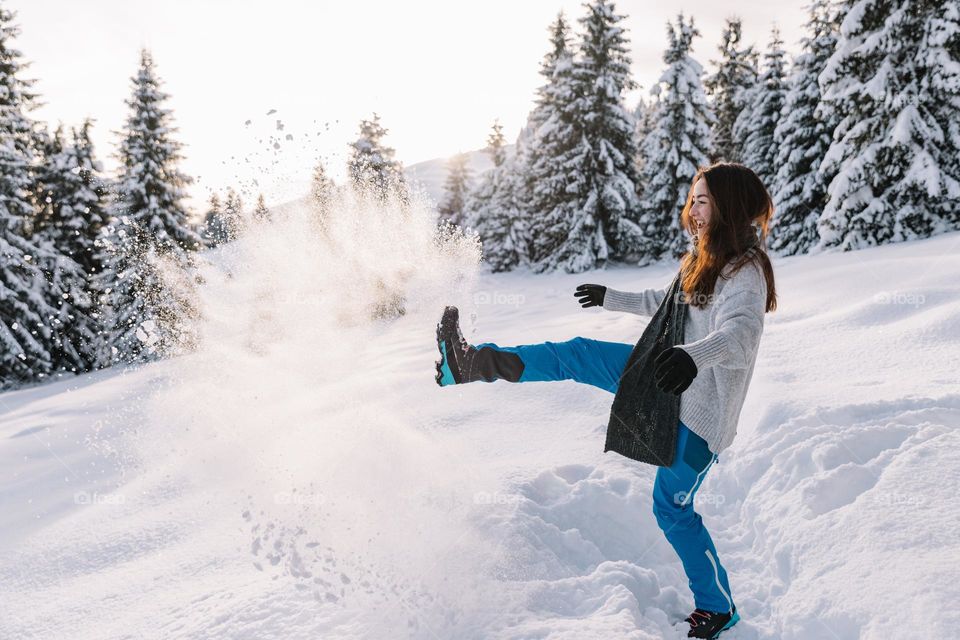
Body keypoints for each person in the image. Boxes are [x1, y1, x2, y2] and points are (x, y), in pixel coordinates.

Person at [433, 162, 777, 639]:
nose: (693, 209)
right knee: (578, 353)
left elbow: (741, 335)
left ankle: (719, 609)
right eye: (692, 199)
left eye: (703, 200)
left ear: (729, 206)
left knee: (671, 509)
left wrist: (695, 357)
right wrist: (609, 297)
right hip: (663, 374)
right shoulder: (705, 257)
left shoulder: (745, 271)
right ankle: (469, 364)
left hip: (700, 417)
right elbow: (667, 301)